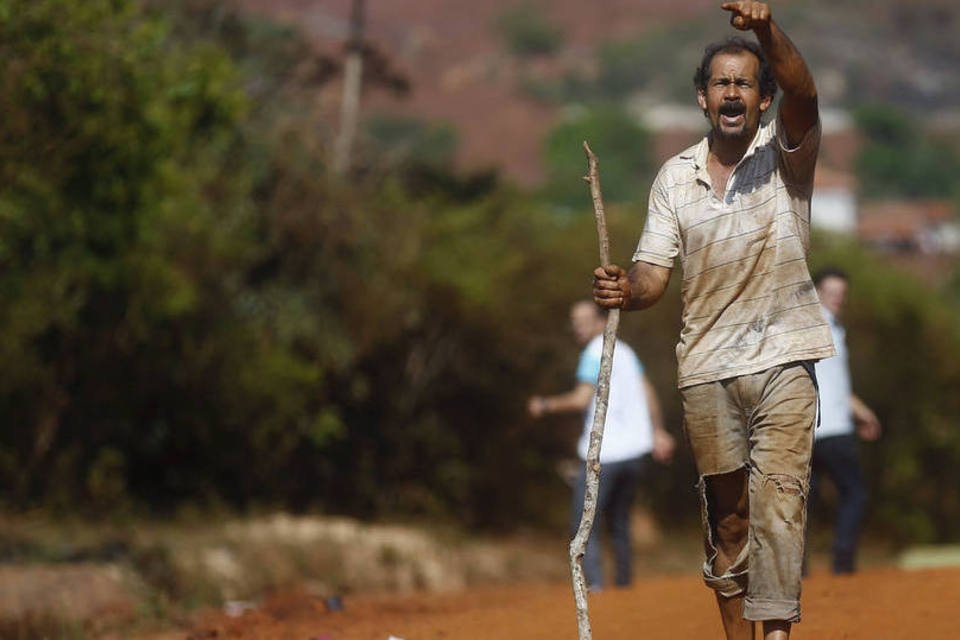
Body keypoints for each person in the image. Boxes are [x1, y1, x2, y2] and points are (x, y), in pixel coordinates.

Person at [592, 2, 834, 638]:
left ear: (762, 101)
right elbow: (653, 275)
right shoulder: (674, 179)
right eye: (721, 82)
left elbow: (805, 91)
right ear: (703, 99)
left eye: (745, 83)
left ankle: (777, 632)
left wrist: (763, 30)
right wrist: (626, 288)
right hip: (706, 368)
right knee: (729, 520)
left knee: (779, 502)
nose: (733, 91)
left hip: (785, 356)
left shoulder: (788, 154)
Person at [528, 300, 675, 591]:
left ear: (600, 321)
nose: (577, 327)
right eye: (574, 320)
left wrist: (545, 405)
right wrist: (658, 431)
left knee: (584, 523)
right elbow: (647, 390)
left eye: (583, 320)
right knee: (619, 522)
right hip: (634, 453)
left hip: (604, 454)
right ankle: (624, 588)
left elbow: (582, 398)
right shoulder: (626, 351)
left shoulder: (594, 352)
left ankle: (595, 587)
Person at [810, 267, 881, 575]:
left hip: (812, 429)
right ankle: (842, 560)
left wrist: (861, 411)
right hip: (831, 429)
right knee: (854, 493)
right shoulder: (819, 328)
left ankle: (797, 566)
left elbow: (837, 385)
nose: (838, 299)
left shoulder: (834, 329)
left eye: (841, 294)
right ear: (815, 293)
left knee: (803, 501)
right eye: (831, 293)